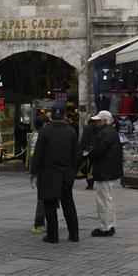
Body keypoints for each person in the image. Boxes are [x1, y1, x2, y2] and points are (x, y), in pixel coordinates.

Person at [30, 103, 79, 243]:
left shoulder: (45, 132)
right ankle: (74, 235)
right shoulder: (71, 131)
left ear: (51, 115)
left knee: (50, 205)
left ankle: (53, 236)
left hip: (49, 174)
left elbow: (38, 154)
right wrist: (73, 172)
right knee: (68, 204)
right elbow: (76, 155)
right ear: (64, 116)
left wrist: (33, 172)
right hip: (66, 173)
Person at [89, 109, 123, 237]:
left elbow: (98, 152)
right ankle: (111, 224)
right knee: (109, 199)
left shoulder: (104, 133)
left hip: (104, 170)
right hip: (111, 170)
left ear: (103, 121)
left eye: (98, 120)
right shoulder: (112, 131)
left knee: (103, 200)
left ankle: (105, 227)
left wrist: (89, 155)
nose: (96, 122)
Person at [31, 112, 50, 234]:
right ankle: (39, 223)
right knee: (42, 199)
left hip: (41, 171)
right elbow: (36, 156)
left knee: (44, 198)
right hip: (42, 171)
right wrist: (33, 172)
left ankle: (42, 221)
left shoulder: (36, 136)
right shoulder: (39, 137)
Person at [78, 118, 98, 190]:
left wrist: (80, 149)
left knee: (88, 167)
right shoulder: (99, 127)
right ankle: (92, 182)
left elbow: (84, 139)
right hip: (96, 148)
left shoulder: (87, 127)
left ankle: (90, 184)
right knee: (93, 166)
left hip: (87, 150)